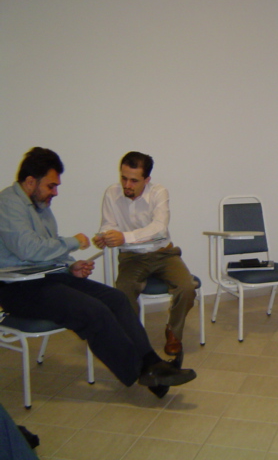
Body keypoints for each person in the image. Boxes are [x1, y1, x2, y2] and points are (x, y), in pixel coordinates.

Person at [0, 147, 196, 399]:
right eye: (51, 186)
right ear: (30, 182)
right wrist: (73, 242)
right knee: (94, 311)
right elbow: (28, 249)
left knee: (116, 298)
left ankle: (152, 363)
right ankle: (144, 374)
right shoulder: (8, 204)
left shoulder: (39, 204)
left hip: (48, 277)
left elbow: (48, 246)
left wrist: (70, 265)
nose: (55, 192)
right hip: (17, 288)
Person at [92, 152, 196, 356]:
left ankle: (173, 332)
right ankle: (134, 337)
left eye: (134, 180)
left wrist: (124, 237)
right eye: (123, 178)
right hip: (132, 256)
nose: (127, 185)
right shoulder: (112, 193)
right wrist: (106, 236)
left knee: (187, 287)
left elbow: (159, 228)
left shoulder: (158, 192)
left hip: (164, 253)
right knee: (123, 291)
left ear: (147, 180)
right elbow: (108, 225)